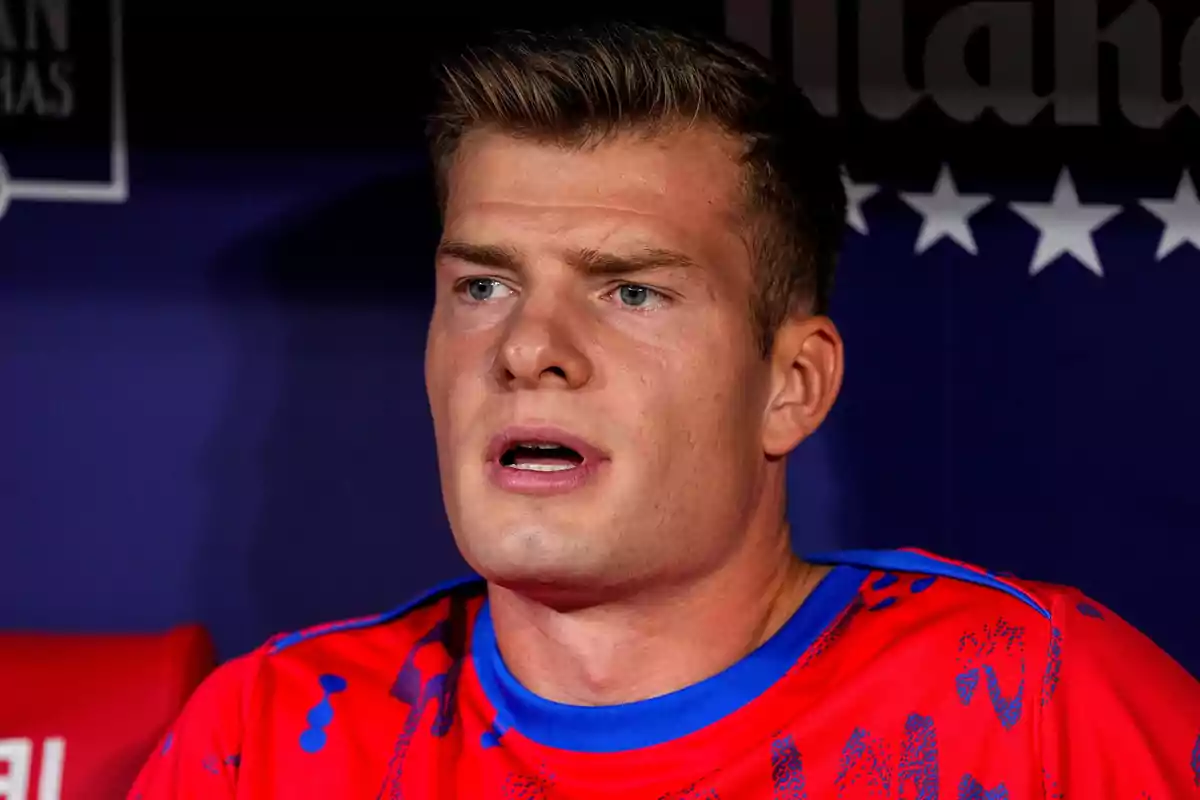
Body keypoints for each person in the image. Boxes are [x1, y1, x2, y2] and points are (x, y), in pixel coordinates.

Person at [129, 21, 1200, 799]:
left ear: (793, 385)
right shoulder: (268, 739)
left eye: (631, 290)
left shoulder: (1042, 703)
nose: (528, 350)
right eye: (483, 287)